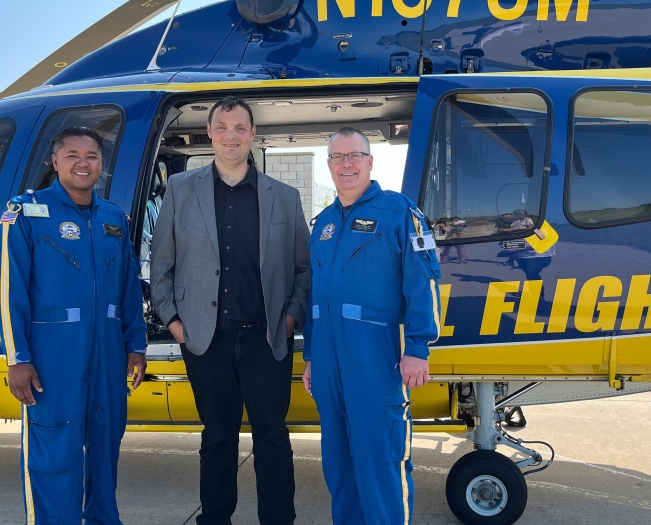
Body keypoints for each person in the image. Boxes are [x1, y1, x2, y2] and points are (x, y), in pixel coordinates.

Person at [151, 96, 310, 525]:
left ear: (253, 134)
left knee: (273, 438)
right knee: (217, 437)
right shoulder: (181, 191)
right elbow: (161, 262)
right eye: (222, 127)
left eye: (240, 127)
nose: (230, 136)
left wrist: (291, 316)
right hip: (205, 339)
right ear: (210, 134)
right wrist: (174, 322)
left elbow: (303, 269)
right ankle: (214, 519)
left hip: (266, 339)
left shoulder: (285, 197)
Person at [1, 125, 147, 524]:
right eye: (73, 155)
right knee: (54, 457)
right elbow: (8, 289)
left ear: (101, 164)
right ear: (55, 161)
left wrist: (136, 345)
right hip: (52, 360)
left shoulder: (114, 218)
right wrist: (17, 358)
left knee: (104, 451)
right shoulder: (26, 212)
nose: (83, 163)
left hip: (107, 359)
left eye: (92, 156)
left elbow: (128, 288)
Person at [302, 126, 441, 525]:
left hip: (378, 363)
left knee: (381, 461)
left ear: (369, 161)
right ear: (329, 164)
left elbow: (425, 282)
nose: (346, 165)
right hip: (329, 366)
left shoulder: (400, 212)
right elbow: (317, 299)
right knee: (339, 466)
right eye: (337, 157)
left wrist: (417, 347)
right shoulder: (324, 224)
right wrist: (312, 357)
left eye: (354, 156)